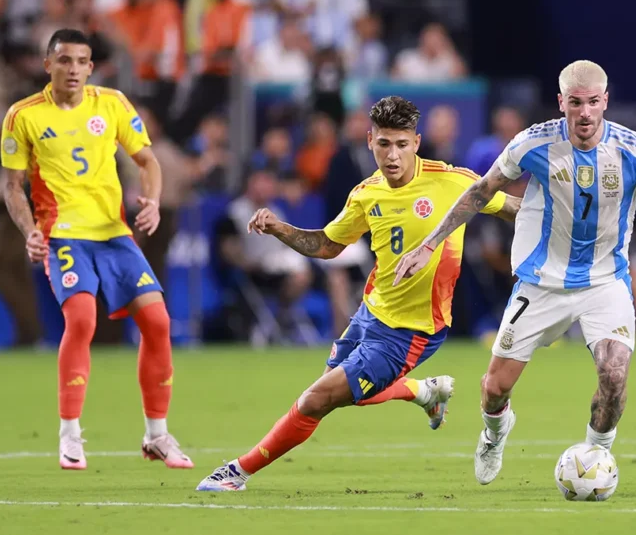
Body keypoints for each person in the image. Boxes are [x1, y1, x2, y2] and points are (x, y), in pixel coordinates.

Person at [394, 60, 636, 485]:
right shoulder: (532, 144)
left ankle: (596, 457)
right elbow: (481, 192)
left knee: (614, 372)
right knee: (494, 388)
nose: (584, 113)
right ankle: (495, 434)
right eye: (575, 103)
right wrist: (429, 244)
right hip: (541, 282)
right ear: (560, 102)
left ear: (606, 101)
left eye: (592, 102)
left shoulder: (635, 149)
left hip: (606, 281)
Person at [196, 96, 522, 492]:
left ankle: (237, 472)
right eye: (384, 144)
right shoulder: (365, 193)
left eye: (402, 144)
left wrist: (568, 215)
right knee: (343, 392)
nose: (393, 155)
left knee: (317, 399)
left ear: (416, 142)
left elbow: (512, 208)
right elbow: (328, 246)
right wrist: (280, 228)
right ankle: (424, 391)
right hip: (370, 314)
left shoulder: (452, 180)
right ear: (370, 141)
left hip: (412, 331)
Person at [0, 28, 192, 470]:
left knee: (158, 322)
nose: (73, 69)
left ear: (91, 66)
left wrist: (153, 201)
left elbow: (148, 160)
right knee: (82, 318)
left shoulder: (112, 103)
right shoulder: (23, 115)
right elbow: (13, 186)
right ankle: (70, 434)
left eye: (81, 61)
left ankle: (157, 436)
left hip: (113, 232)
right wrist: (29, 229)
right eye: (63, 60)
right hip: (62, 233)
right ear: (48, 64)